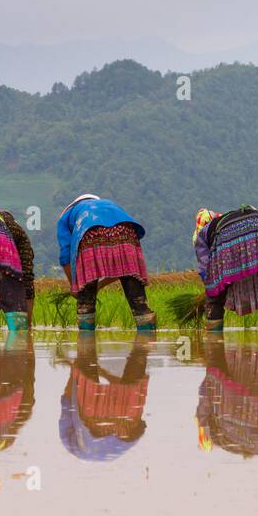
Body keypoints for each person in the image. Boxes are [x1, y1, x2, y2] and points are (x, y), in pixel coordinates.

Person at [56, 194, 155, 332]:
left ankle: (86, 346)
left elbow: (65, 255)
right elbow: (122, 269)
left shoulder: (66, 216)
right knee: (138, 300)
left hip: (90, 234)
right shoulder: (109, 205)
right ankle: (147, 337)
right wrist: (100, 285)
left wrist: (75, 286)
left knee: (86, 301)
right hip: (126, 234)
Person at [194, 206, 258, 332]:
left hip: (230, 236)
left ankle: (214, 344)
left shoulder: (203, 234)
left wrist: (211, 290)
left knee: (214, 299)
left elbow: (205, 269)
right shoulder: (227, 218)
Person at [59, 335, 150, 461]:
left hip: (127, 419)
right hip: (93, 415)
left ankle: (144, 334)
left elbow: (140, 428)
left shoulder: (116, 452)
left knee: (140, 354)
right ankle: (86, 330)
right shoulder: (72, 447)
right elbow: (68, 400)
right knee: (86, 356)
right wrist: (78, 369)